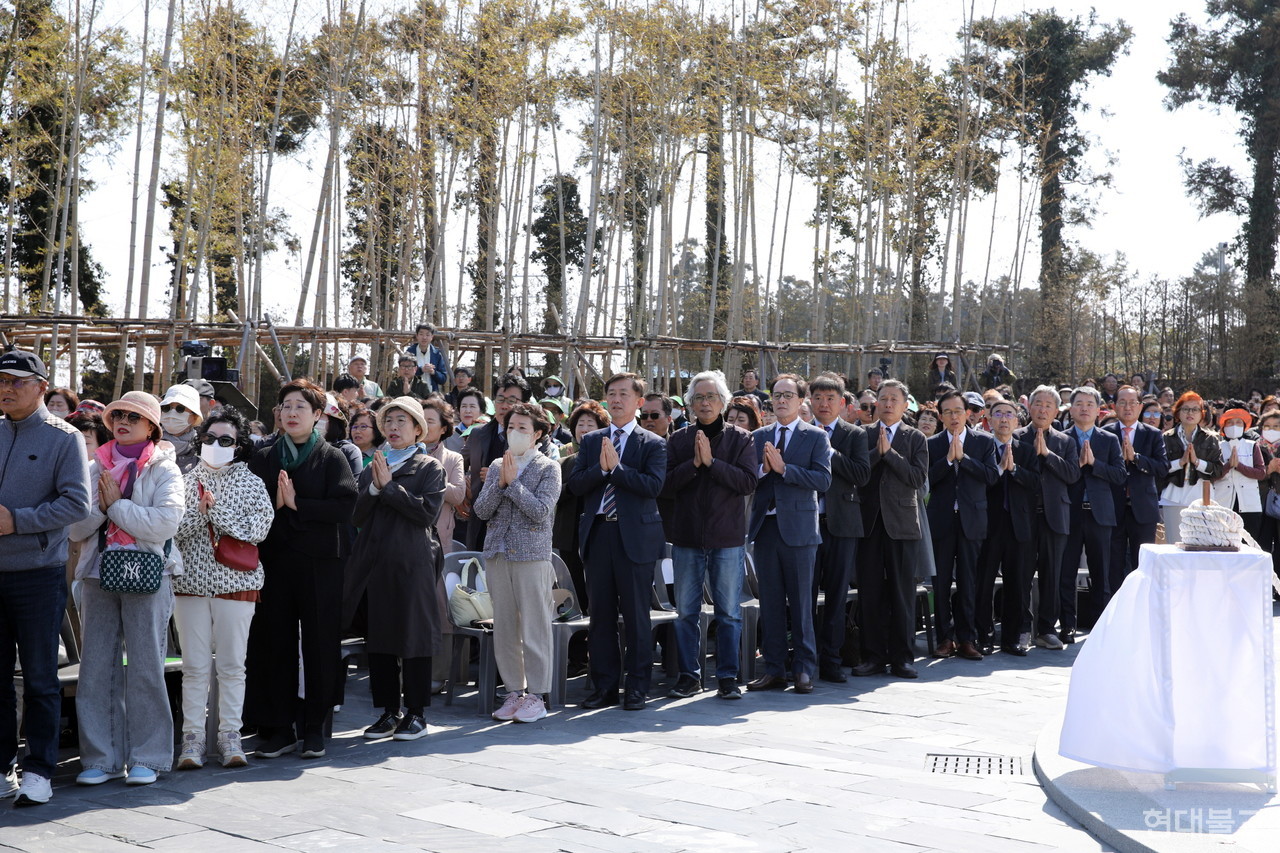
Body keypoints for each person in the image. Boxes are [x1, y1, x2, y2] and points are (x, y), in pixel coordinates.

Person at [69, 390, 184, 788]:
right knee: (96, 668)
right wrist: (102, 508)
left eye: (133, 418)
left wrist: (116, 507)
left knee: (147, 665)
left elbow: (165, 523)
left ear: (151, 426)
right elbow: (73, 526)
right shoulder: (91, 466)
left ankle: (149, 757)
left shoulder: (165, 469)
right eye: (117, 415)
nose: (123, 422)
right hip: (98, 573)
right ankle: (100, 758)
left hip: (149, 574)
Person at [244, 379, 357, 760]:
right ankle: (277, 728)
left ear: (318, 415)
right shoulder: (262, 457)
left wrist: (297, 505)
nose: (292, 413)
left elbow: (344, 507)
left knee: (320, 644)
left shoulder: (332, 456)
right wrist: (276, 506)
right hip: (274, 561)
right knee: (273, 642)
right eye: (286, 406)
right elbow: (251, 511)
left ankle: (314, 727)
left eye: (301, 407)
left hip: (320, 563)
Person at [0, 350, 90, 806]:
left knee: (39, 677)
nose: (7, 388)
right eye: (2, 379)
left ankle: (39, 769)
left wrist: (18, 520)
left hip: (38, 574)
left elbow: (77, 504)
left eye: (18, 380)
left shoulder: (64, 438)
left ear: (40, 385)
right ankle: (2, 766)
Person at [172, 407, 273, 770]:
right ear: (200, 441)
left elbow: (256, 531)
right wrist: (200, 512)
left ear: (239, 445)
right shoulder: (182, 480)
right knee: (194, 667)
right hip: (190, 585)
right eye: (210, 438)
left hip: (237, 584)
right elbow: (174, 532)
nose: (216, 445)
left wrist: (215, 513)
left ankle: (231, 737)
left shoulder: (252, 482)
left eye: (226, 440)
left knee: (232, 666)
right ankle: (192, 740)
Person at [344, 397, 445, 743]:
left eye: (402, 421)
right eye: (388, 421)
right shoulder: (372, 467)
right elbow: (356, 516)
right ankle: (388, 712)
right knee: (381, 641)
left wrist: (389, 487)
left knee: (414, 639)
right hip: (375, 564)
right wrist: (374, 487)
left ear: (418, 429)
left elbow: (425, 514)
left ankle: (416, 713)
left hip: (412, 564)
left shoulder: (429, 467)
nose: (393, 427)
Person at [568, 372, 667, 711]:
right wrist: (602, 470)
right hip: (599, 535)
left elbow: (653, 486)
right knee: (601, 616)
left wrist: (618, 471)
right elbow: (577, 484)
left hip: (635, 538)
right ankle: (604, 687)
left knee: (637, 615)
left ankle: (637, 687)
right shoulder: (593, 440)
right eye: (611, 393)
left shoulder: (653, 443)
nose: (616, 399)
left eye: (624, 394)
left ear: (639, 402)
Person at [662, 370, 757, 700]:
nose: (705, 403)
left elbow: (747, 482)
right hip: (687, 538)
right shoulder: (678, 439)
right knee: (686, 612)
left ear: (723, 402)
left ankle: (728, 676)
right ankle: (690, 676)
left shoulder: (741, 439)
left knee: (728, 612)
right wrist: (695, 465)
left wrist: (712, 462)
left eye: (711, 397)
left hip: (727, 538)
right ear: (689, 405)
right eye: (698, 397)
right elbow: (666, 484)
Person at [473, 402, 562, 724]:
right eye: (511, 427)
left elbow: (540, 511)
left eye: (523, 428)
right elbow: (482, 510)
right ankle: (513, 690)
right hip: (498, 553)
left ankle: (537, 694)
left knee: (535, 626)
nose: (516, 433)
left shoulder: (549, 467)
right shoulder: (498, 465)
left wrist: (514, 484)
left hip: (531, 556)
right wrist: (501, 482)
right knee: (506, 627)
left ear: (538, 434)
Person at [746, 374, 831, 694]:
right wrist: (763, 471)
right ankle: (774, 668)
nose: (780, 401)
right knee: (769, 602)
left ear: (800, 400)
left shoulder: (815, 436)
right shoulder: (757, 436)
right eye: (776, 396)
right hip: (766, 528)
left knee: (801, 602)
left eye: (787, 395)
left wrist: (784, 470)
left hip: (800, 532)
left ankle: (804, 669)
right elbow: (746, 480)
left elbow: (823, 480)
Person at [852, 379, 928, 679]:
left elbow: (917, 478)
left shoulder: (915, 438)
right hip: (869, 523)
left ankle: (903, 657)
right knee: (870, 593)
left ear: (905, 403)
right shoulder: (862, 435)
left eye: (894, 399)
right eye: (883, 398)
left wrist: (891, 454)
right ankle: (872, 656)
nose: (887, 404)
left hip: (903, 524)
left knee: (902, 592)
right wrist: (877, 453)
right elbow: (856, 474)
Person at [927, 390, 999, 661]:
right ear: (940, 415)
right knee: (942, 581)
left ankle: (967, 638)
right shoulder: (932, 444)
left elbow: (992, 476)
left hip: (972, 520)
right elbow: (926, 479)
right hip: (942, 520)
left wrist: (964, 460)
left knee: (970, 581)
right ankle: (945, 637)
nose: (954, 417)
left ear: (967, 412)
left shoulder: (984, 441)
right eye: (948, 412)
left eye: (958, 411)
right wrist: (947, 460)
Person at [808, 373, 869, 683]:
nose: (823, 404)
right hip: (806, 526)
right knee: (805, 595)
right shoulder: (801, 432)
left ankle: (831, 659)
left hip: (842, 525)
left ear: (844, 404)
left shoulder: (855, 435)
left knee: (836, 595)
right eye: (818, 398)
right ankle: (805, 659)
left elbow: (862, 474)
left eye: (831, 399)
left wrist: (829, 450)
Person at [1055, 387, 1126, 645]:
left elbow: (1120, 475)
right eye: (1079, 404)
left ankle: (1099, 627)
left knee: (1101, 573)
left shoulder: (1108, 439)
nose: (1084, 408)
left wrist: (1095, 464)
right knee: (1066, 572)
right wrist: (1076, 466)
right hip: (1069, 514)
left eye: (1089, 404)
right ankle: (1068, 625)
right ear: (1071, 409)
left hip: (1100, 514)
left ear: (1099, 410)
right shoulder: (1060, 438)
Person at [1014, 386, 1080, 651]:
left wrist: (1047, 454)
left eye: (1048, 406)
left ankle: (1046, 629)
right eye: (1038, 404)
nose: (1042, 409)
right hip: (1024, 516)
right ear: (1029, 408)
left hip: (1056, 516)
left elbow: (1073, 474)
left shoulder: (1065, 442)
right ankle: (1021, 628)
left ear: (1056, 411)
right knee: (1021, 574)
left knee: (1052, 574)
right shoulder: (1016, 437)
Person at [974, 399, 1039, 656]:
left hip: (1019, 525)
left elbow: (1037, 483)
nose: (1003, 418)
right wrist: (998, 470)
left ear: (1017, 421)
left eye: (1009, 414)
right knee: (984, 583)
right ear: (988, 420)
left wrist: (1014, 470)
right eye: (998, 413)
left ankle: (1013, 638)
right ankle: (984, 635)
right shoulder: (981, 446)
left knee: (1018, 583)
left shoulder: (1026, 450)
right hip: (987, 524)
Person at [1102, 386, 1169, 591]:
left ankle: (1142, 612)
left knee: (1144, 564)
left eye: (1133, 403)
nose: (1128, 407)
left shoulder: (1153, 434)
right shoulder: (1105, 434)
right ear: (1114, 406)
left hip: (1143, 509)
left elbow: (1162, 468)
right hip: (1113, 508)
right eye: (1122, 402)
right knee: (1113, 564)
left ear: (1140, 407)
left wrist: (1136, 458)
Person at [553, 400, 610, 614]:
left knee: (598, 599)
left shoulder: (608, 460)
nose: (584, 429)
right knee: (572, 598)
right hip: (568, 538)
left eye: (590, 424)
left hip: (599, 536)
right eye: (580, 424)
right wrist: (577, 485)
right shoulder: (563, 463)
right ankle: (574, 646)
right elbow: (554, 494)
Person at [1159, 392, 1224, 544]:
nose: (1190, 413)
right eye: (1185, 409)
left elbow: (1218, 469)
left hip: (1202, 496)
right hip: (1173, 496)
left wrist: (1197, 462)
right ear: (1177, 412)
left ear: (1201, 414)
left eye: (1195, 409)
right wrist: (1180, 463)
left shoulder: (1211, 438)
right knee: (1174, 543)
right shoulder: (1166, 437)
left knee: (1200, 544)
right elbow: (1160, 468)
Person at [1212, 407, 1265, 542]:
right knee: (1223, 542)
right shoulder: (1217, 446)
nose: (1234, 426)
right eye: (1230, 423)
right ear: (1224, 427)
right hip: (1223, 502)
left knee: (1248, 542)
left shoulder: (1252, 445)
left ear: (1244, 426)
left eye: (1238, 423)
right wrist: (1228, 466)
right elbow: (1212, 475)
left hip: (1248, 504)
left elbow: (1260, 473)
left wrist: (1239, 466)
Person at [421, 398, 466, 553]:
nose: (424, 425)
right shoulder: (403, 454)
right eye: (421, 420)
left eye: (430, 421)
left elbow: (458, 495)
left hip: (439, 534)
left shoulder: (453, 458)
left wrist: (428, 478)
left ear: (443, 428)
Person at [159, 383, 204, 474]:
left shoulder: (202, 449)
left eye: (180, 409)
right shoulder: (149, 443)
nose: (172, 413)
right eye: (167, 408)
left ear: (194, 417)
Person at [405, 324, 449, 394]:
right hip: (412, 393)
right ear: (417, 336)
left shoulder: (437, 354)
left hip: (431, 394)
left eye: (428, 335)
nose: (424, 337)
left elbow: (443, 379)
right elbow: (405, 373)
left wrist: (433, 372)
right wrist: (421, 370)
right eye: (421, 334)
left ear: (432, 337)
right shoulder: (410, 352)